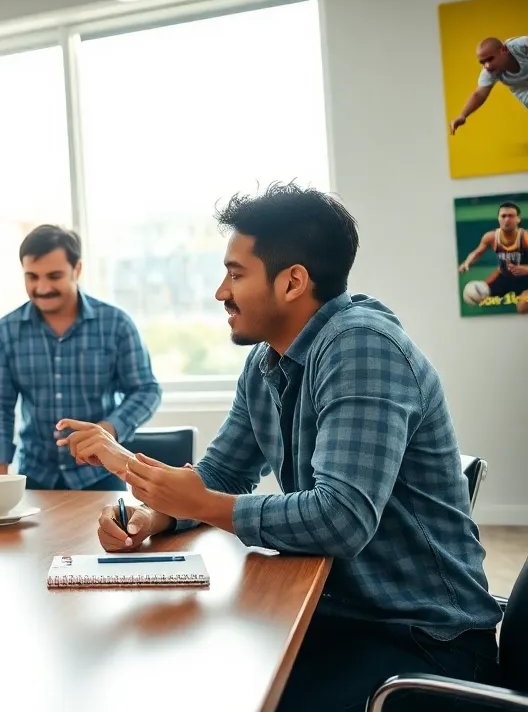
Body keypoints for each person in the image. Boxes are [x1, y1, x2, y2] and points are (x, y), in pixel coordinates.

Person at [74, 183, 501, 712]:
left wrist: (200, 504)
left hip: (422, 644)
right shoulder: (266, 363)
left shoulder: (362, 346)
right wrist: (156, 516)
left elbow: (341, 518)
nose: (219, 292)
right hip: (340, 615)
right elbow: (223, 474)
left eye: (235, 273)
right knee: (176, 670)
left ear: (293, 281)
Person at [0, 224, 161, 491]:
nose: (42, 288)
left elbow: (147, 390)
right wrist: (0, 474)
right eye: (32, 277)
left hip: (101, 474)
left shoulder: (116, 324)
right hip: (35, 476)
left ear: (77, 270)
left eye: (54, 276)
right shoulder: (6, 331)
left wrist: (107, 429)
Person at [458, 199, 528, 313]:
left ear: (518, 219)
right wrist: (467, 262)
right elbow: (478, 252)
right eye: (503, 216)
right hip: (505, 277)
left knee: (522, 307)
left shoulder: (525, 238)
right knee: (477, 292)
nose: (507, 220)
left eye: (511, 216)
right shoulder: (491, 237)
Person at [449, 36, 528, 134]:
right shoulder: (490, 72)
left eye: (490, 59)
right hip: (524, 91)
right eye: (482, 62)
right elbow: (479, 94)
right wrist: (463, 115)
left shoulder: (520, 45)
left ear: (504, 50)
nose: (487, 65)